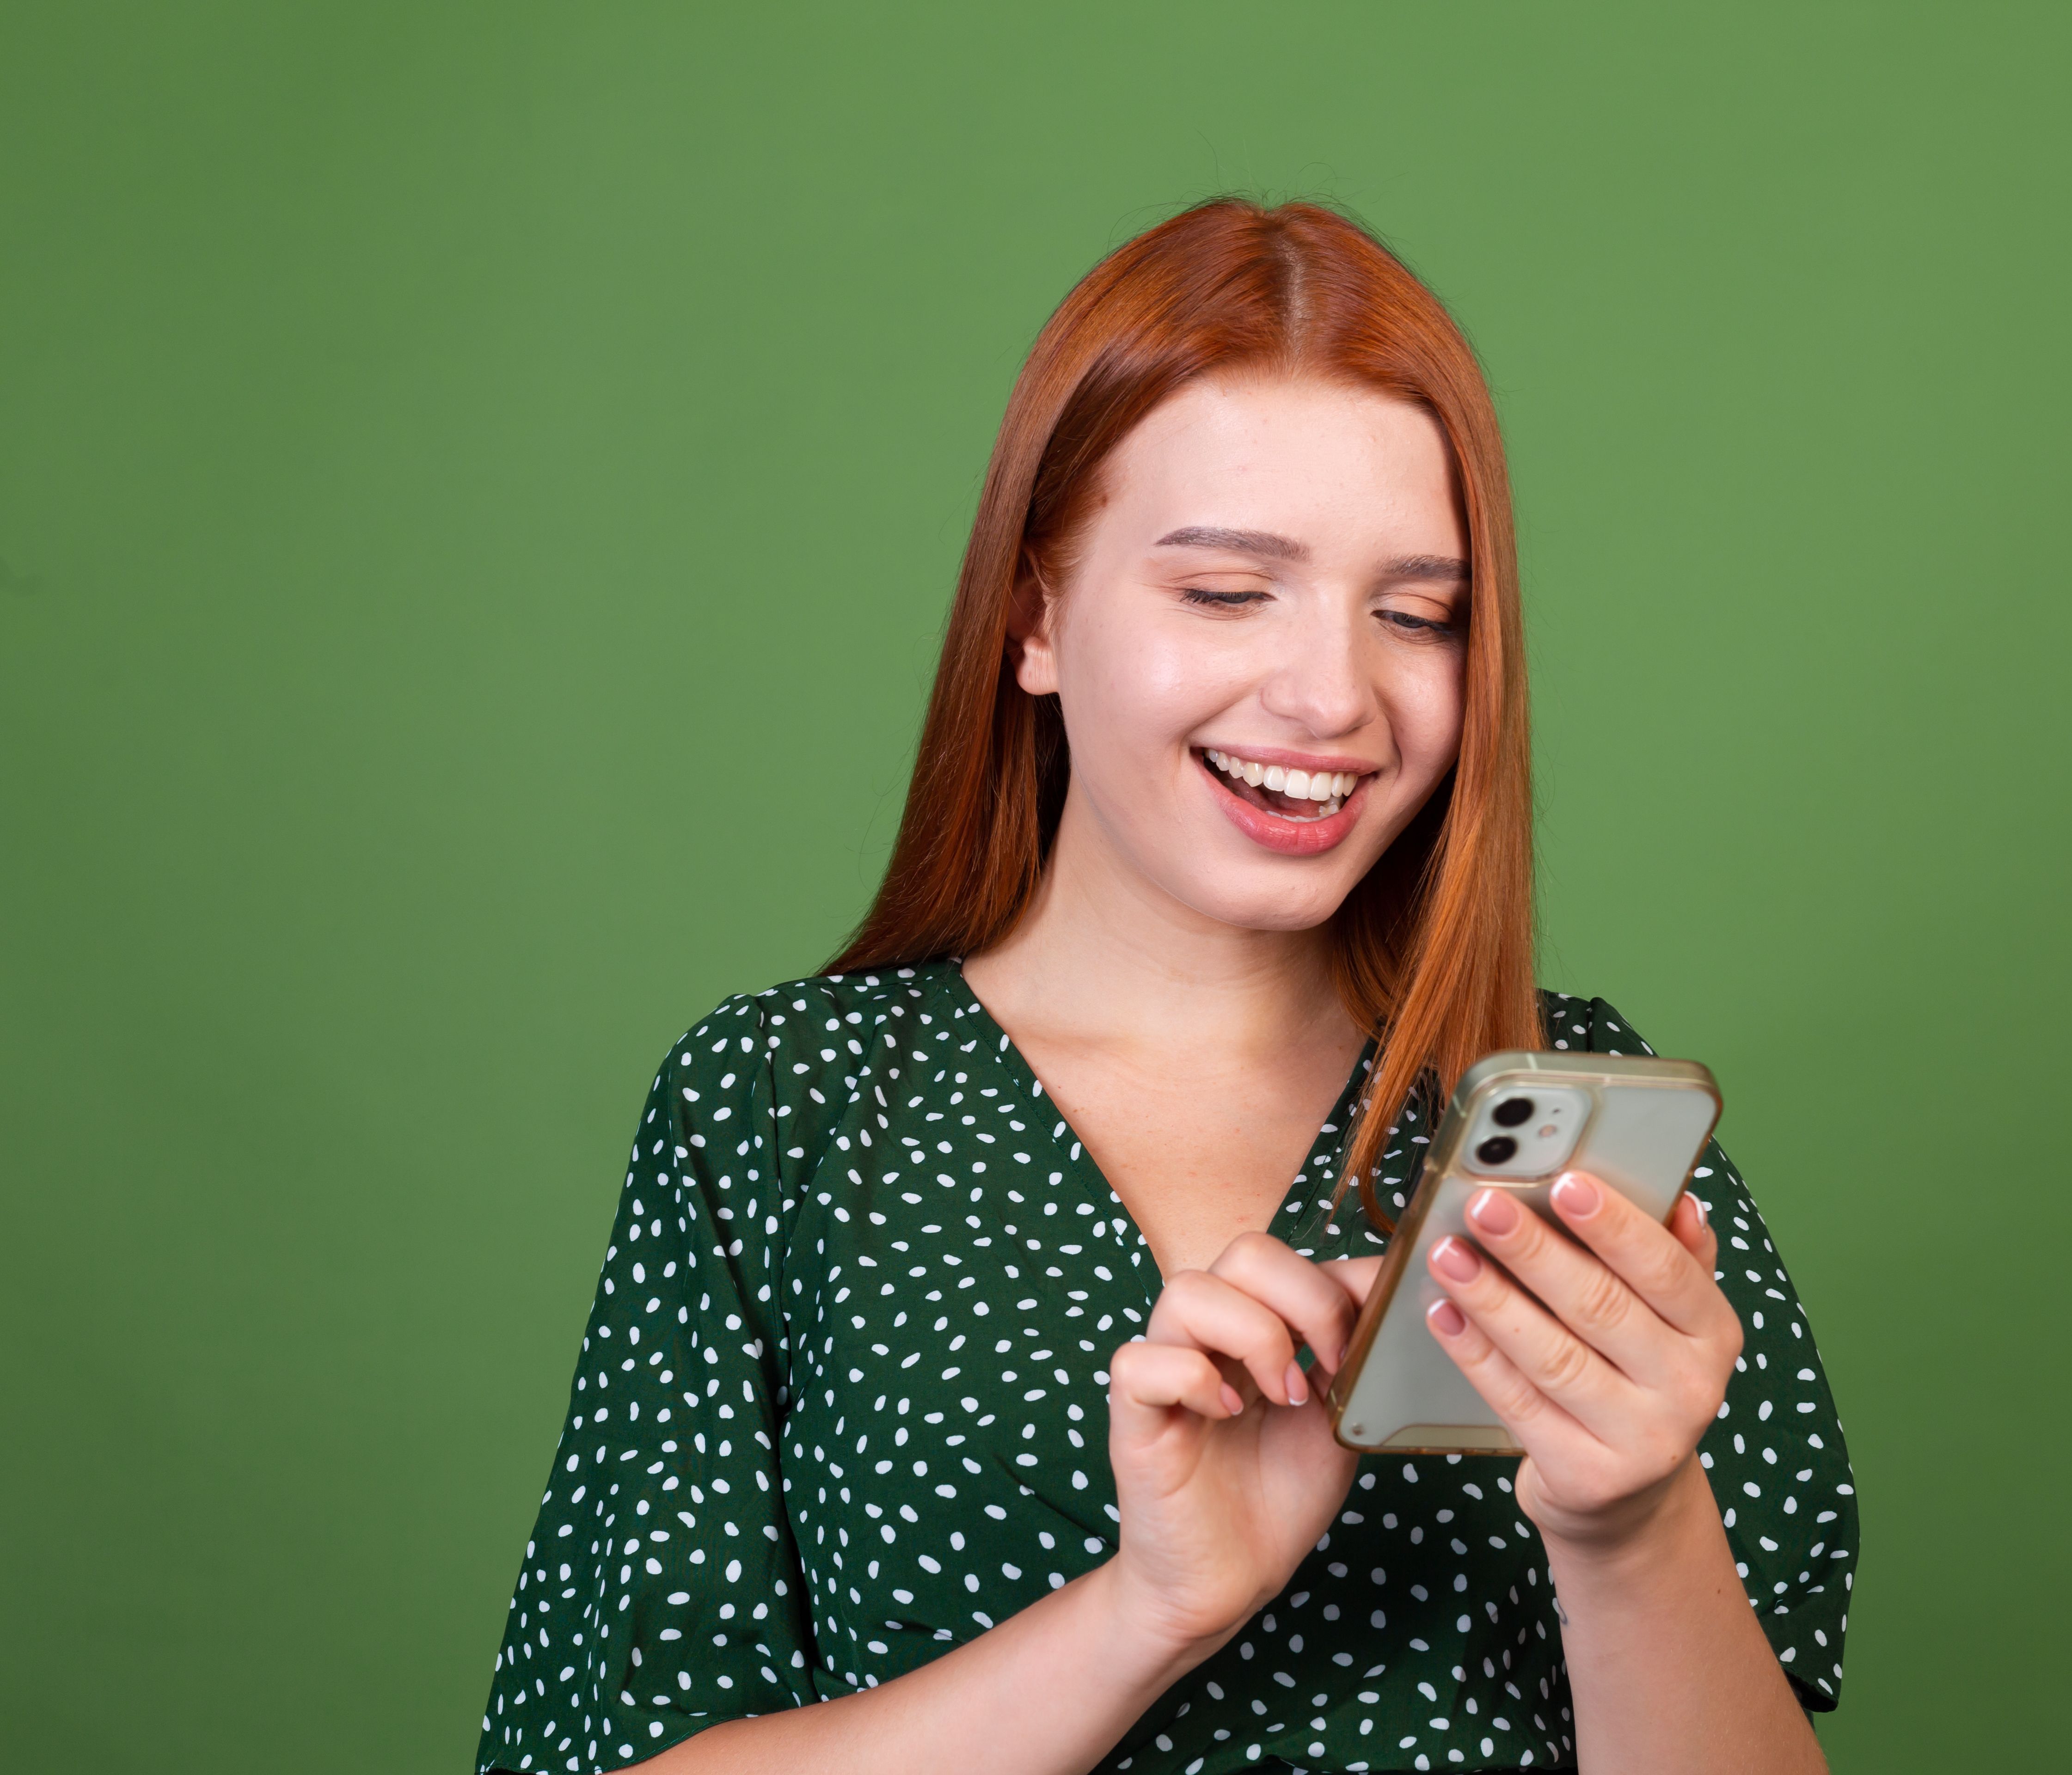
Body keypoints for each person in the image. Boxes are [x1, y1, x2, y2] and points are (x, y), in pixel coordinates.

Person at [475, 199, 1857, 1775]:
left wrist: (1631, 1528)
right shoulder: (788, 1110)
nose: (1334, 695)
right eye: (1224, 592)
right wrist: (1152, 1608)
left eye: (1419, 616)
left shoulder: (1573, 1149)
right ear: (1036, 616)